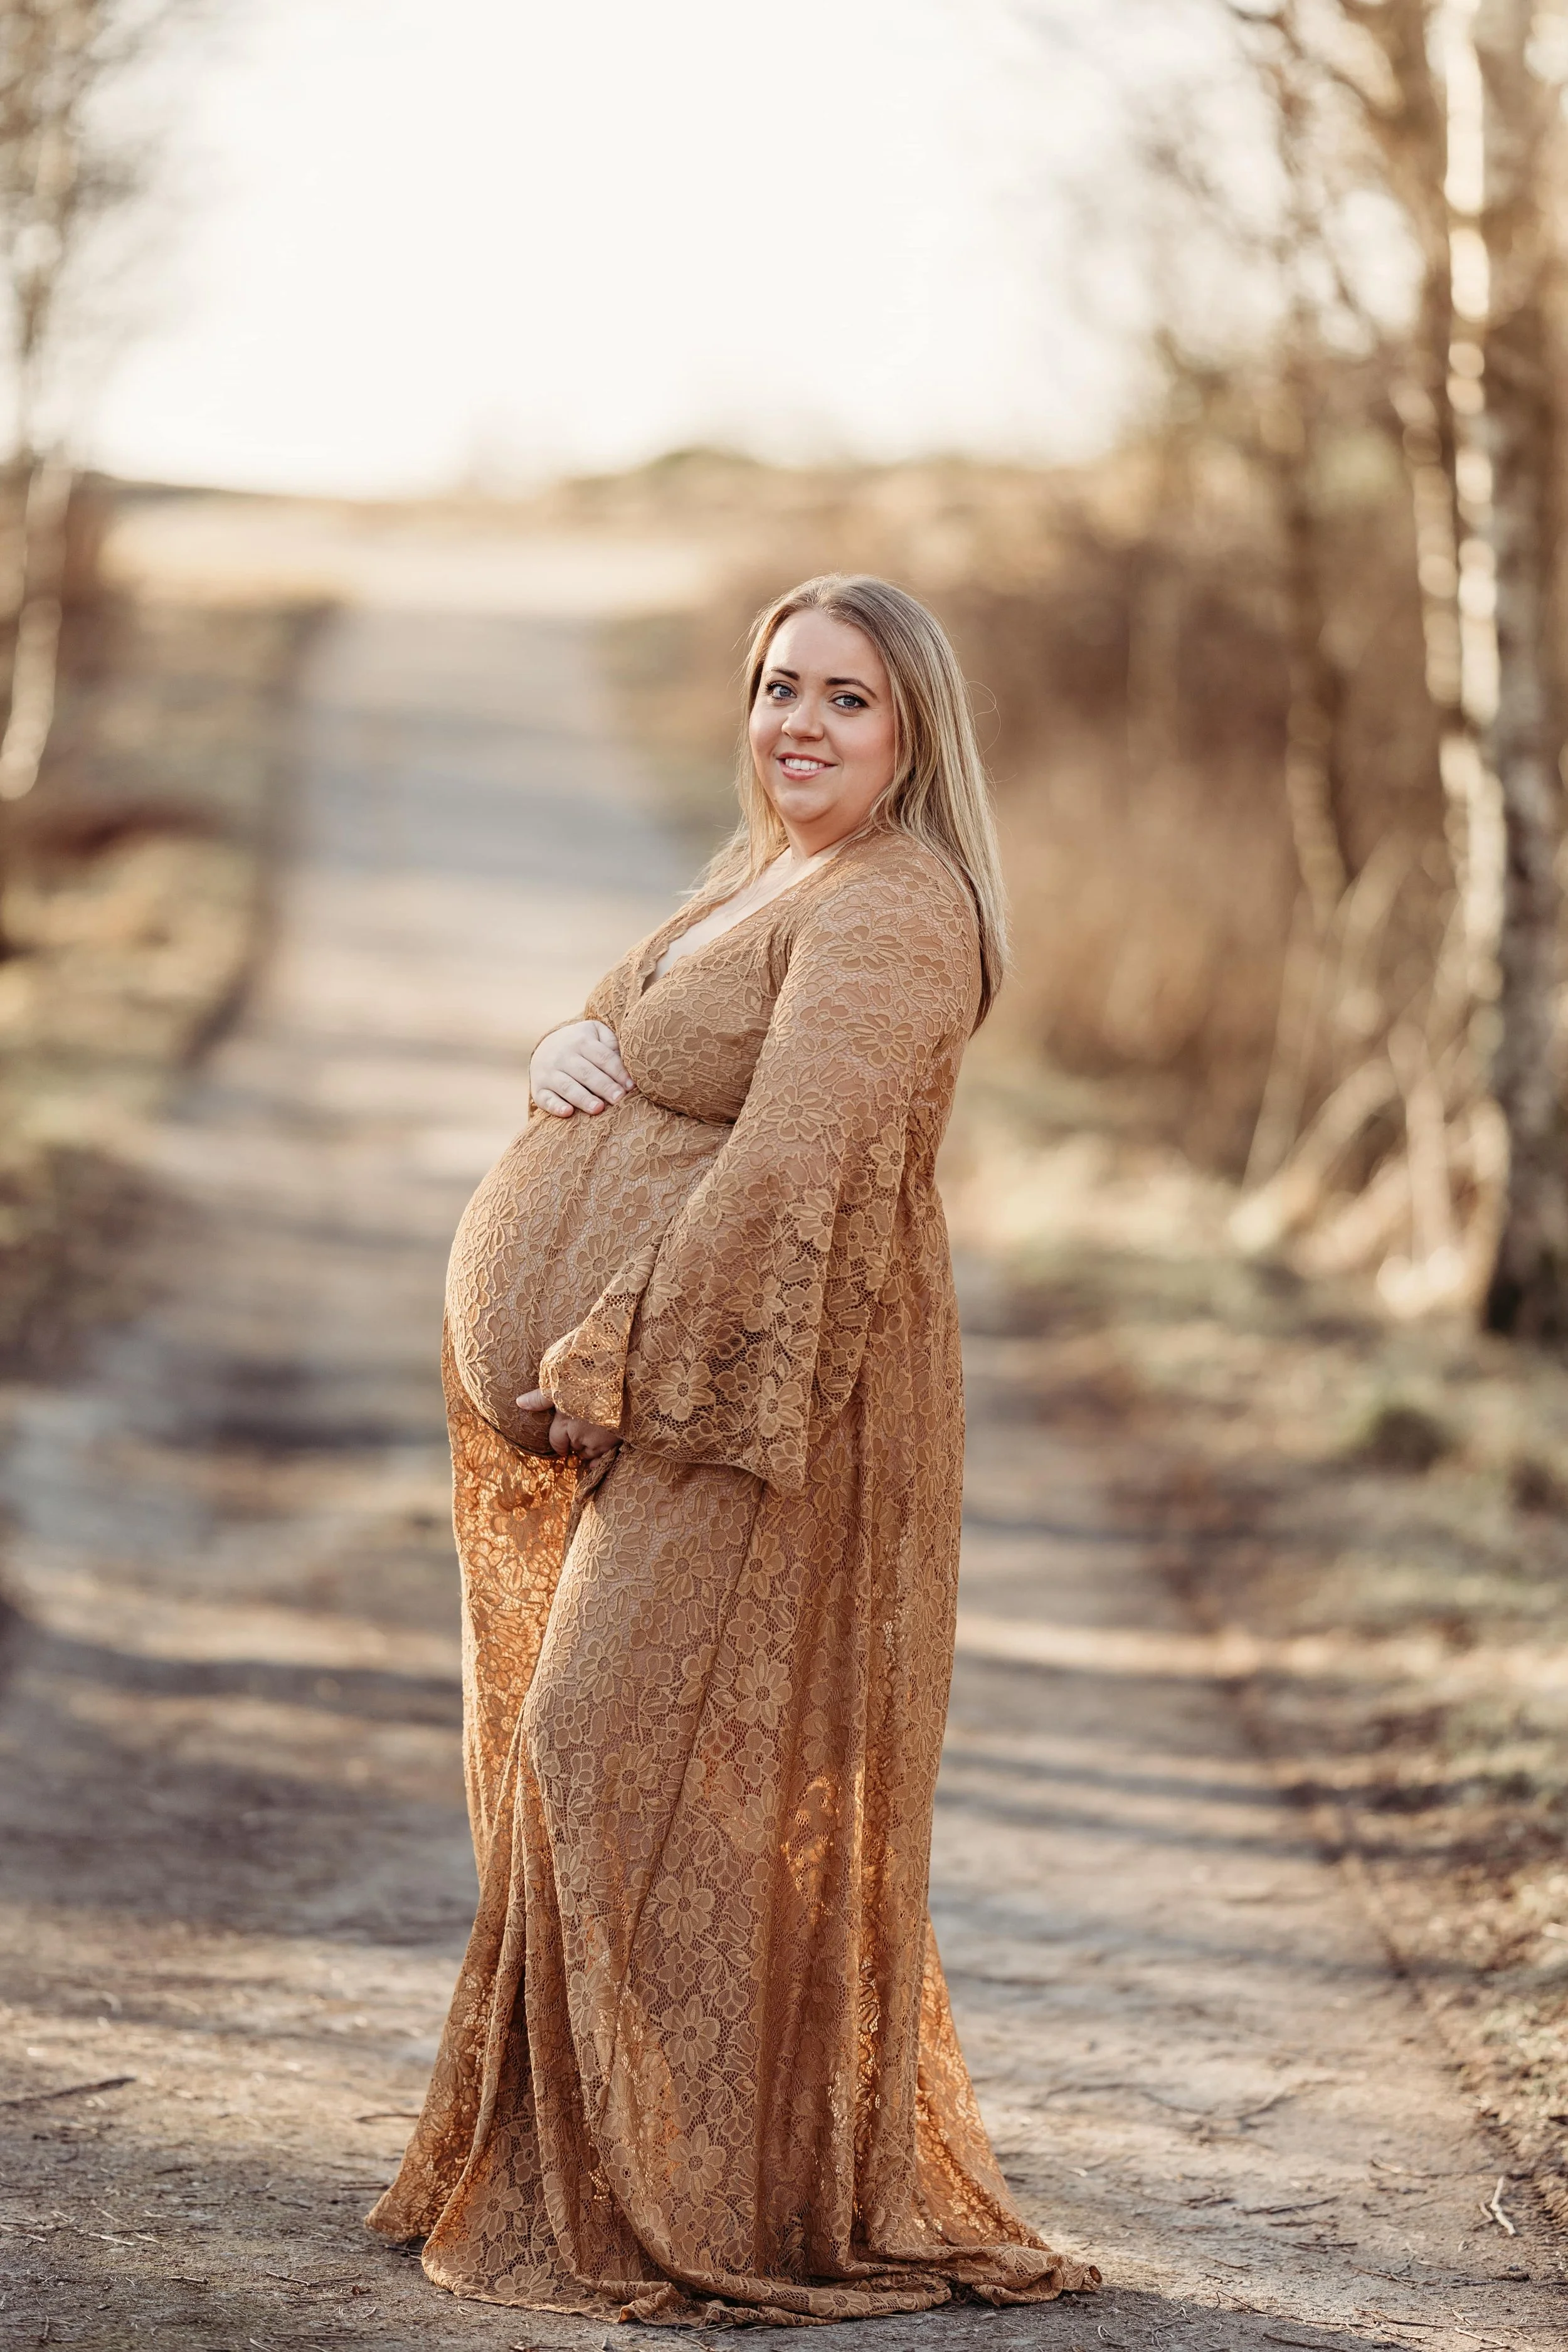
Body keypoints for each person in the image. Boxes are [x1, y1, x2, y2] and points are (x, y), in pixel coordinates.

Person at [366, 575, 1099, 2324]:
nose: (798, 722)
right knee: (612, 1750)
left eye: (845, 698)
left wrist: (609, 1355)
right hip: (689, 1380)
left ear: (914, 729)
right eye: (780, 685)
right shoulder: (771, 872)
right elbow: (639, 1037)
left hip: (760, 1390)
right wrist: (563, 1042)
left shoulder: (898, 908)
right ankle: (601, 2171)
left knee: (601, 1738)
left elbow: (790, 1174)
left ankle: (694, 2199)